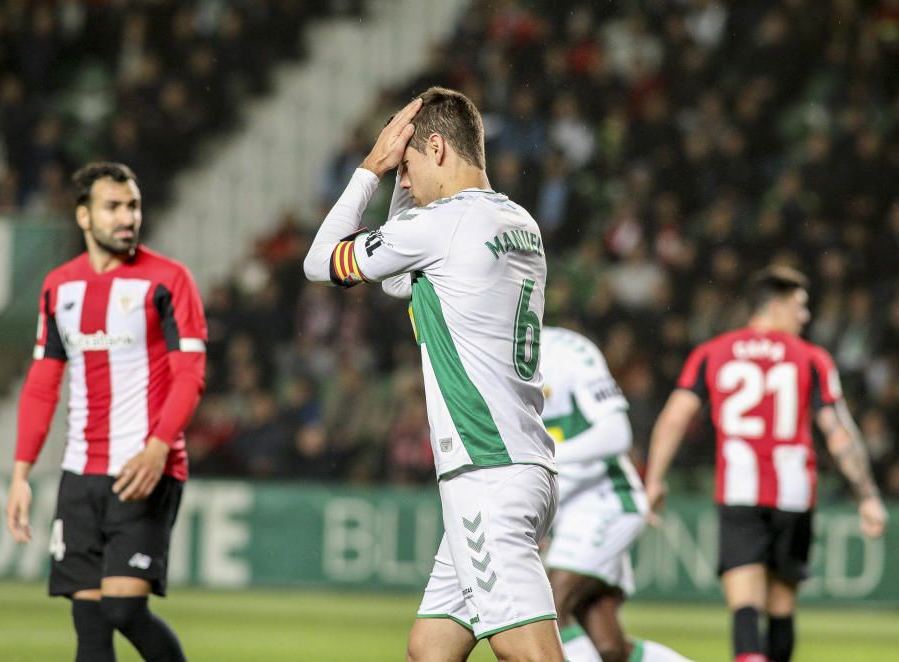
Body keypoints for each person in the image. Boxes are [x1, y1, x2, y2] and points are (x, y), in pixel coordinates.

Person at [304, 88, 563, 662]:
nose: (406, 178)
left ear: (438, 147)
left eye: (410, 163)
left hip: (484, 469)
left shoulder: (441, 225)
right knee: (432, 647)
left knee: (532, 655)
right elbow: (403, 281)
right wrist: (404, 198)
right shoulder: (517, 220)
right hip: (523, 461)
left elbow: (319, 261)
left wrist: (371, 169)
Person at [5, 162, 207, 662]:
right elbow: (42, 384)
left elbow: (190, 375)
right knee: (90, 628)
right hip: (80, 475)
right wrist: (20, 474)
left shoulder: (168, 280)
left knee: (122, 609)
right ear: (83, 216)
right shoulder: (58, 287)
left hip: (144, 470)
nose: (127, 217)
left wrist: (159, 447)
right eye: (113, 207)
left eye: (133, 206)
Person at [645, 266, 888, 662]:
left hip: (739, 491)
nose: (805, 317)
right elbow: (840, 433)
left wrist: (654, 479)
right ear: (774, 306)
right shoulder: (811, 358)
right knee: (781, 609)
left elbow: (674, 417)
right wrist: (868, 495)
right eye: (800, 307)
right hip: (793, 496)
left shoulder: (713, 352)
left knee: (744, 607)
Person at [541, 326, 692, 662]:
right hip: (568, 513)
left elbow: (616, 433)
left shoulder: (567, 352)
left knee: (548, 608)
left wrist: (548, 456)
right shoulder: (488, 357)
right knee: (609, 648)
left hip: (605, 501)